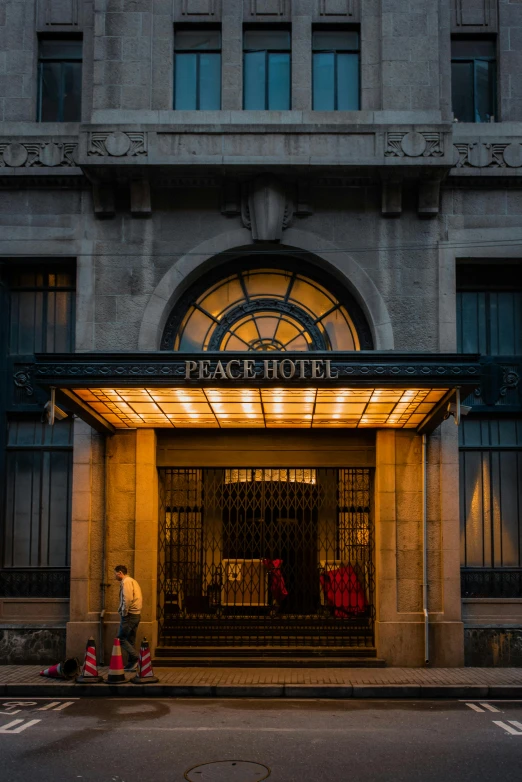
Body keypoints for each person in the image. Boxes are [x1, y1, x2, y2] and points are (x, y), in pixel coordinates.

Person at [114, 565, 143, 672]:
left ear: (120, 573)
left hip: (130, 615)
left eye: (115, 573)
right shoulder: (133, 581)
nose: (115, 576)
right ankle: (132, 664)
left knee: (120, 638)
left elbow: (127, 598)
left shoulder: (126, 582)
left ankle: (136, 657)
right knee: (130, 640)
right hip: (136, 614)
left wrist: (124, 612)